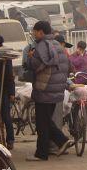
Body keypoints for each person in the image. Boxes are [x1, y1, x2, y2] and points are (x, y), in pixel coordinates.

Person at [26, 21, 73, 161]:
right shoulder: (57, 45)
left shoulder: (41, 46)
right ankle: (58, 143)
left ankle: (44, 152)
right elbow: (67, 66)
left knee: (42, 123)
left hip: (44, 89)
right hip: (56, 90)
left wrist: (30, 58)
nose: (34, 34)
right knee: (45, 121)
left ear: (40, 32)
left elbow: (36, 65)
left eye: (35, 31)